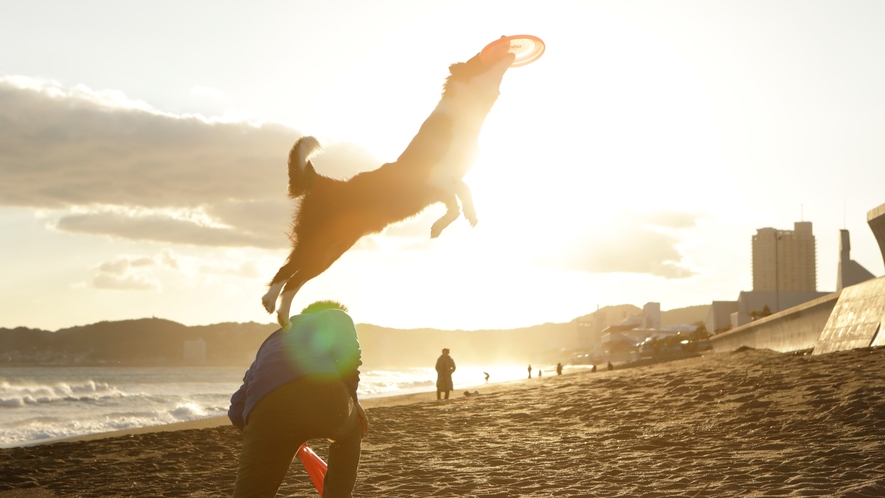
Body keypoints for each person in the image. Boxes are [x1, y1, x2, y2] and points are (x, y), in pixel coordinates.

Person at [228, 300, 368, 498]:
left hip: (266, 410)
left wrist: (262, 435)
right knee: (353, 430)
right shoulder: (337, 316)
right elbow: (350, 359)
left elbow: (237, 408)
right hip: (324, 395)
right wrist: (353, 400)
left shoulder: (273, 340)